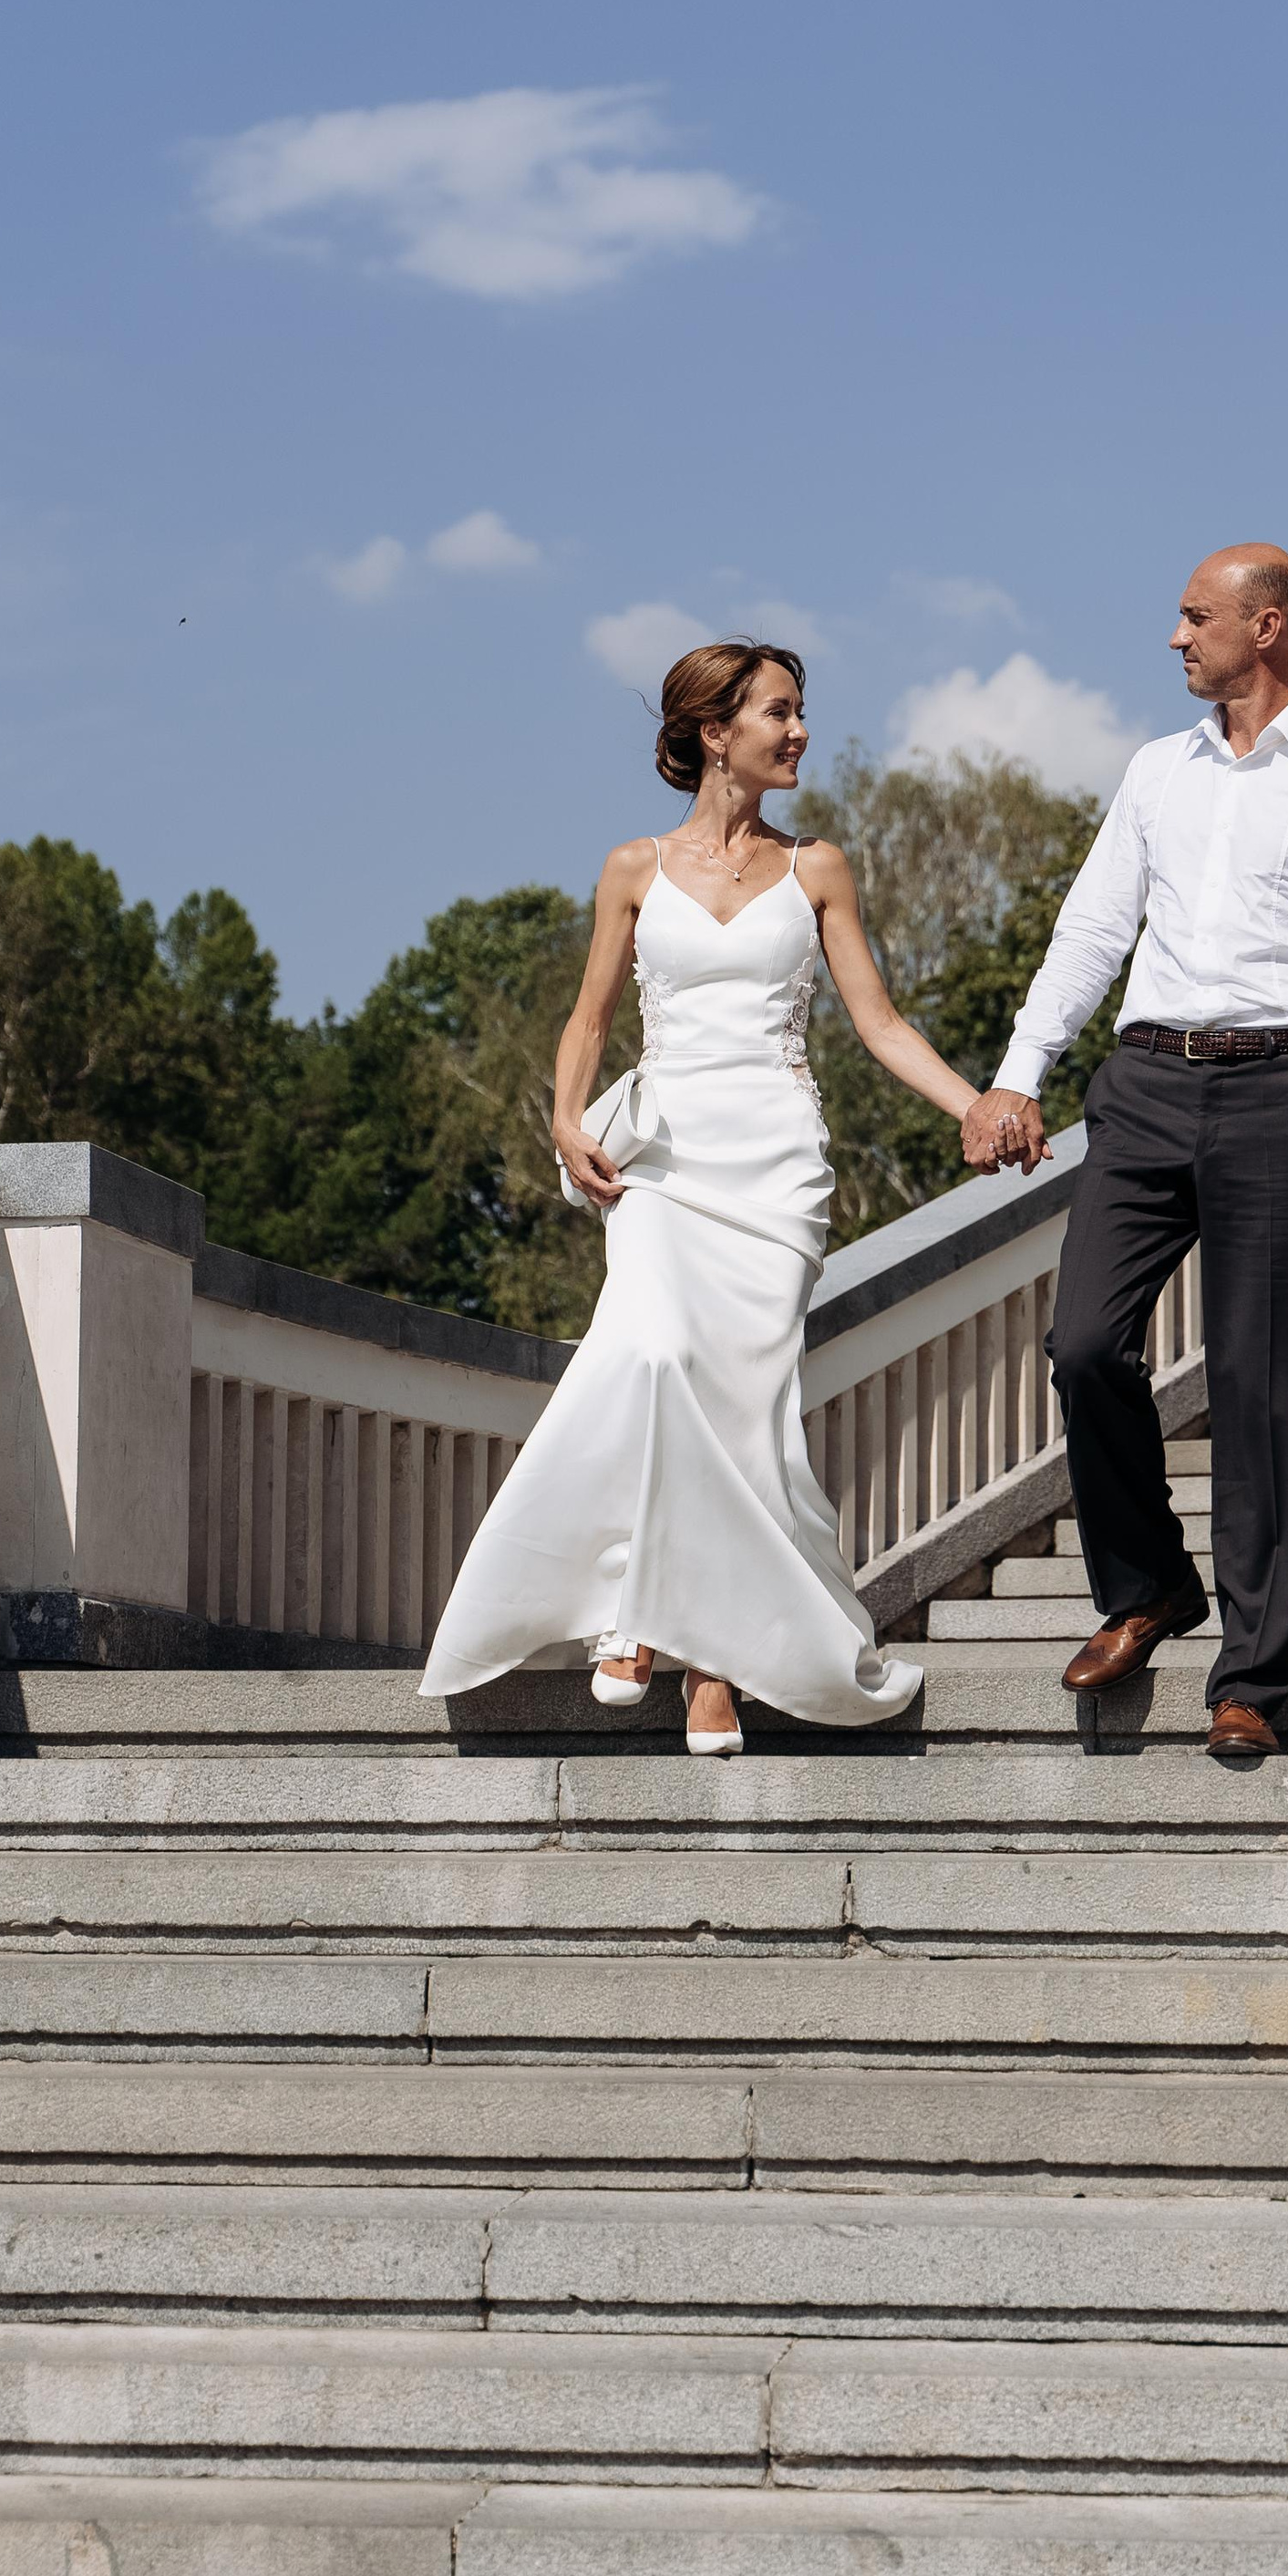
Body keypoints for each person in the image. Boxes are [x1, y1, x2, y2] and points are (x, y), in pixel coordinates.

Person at [419, 638, 989, 1754]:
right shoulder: (631, 867)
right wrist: (565, 1118)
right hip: (662, 1163)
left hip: (774, 1168)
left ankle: (712, 1664)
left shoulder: (818, 867)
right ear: (713, 731)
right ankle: (630, 1608)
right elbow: (588, 1019)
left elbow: (876, 1023)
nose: (800, 731)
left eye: (801, 710)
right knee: (647, 1358)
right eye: (779, 712)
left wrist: (972, 1106)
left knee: (744, 1412)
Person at [961, 545, 1288, 1765]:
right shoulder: (1155, 772)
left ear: (1267, 628)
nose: (1175, 637)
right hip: (1147, 1084)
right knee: (1083, 1344)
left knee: (1265, 1392)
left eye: (1194, 616)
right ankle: (1150, 1583)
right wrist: (1019, 1073)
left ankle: (1251, 1682)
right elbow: (1092, 930)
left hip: (1283, 1092)